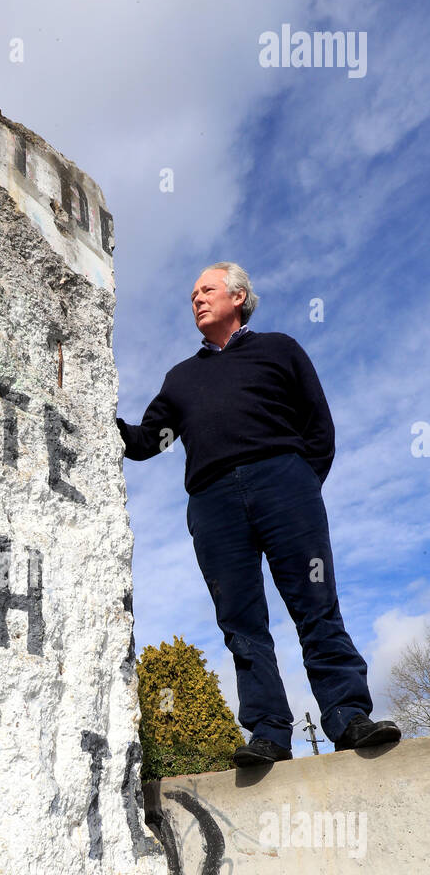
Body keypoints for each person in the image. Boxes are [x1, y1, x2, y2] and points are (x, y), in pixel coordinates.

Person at [116, 262, 401, 766]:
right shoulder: (180, 378)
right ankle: (269, 732)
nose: (196, 299)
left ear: (239, 297)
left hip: (284, 484)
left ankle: (347, 717)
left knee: (316, 604)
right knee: (240, 621)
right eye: (192, 295)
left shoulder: (280, 349)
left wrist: (301, 481)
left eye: (207, 289)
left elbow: (318, 423)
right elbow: (150, 440)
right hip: (212, 503)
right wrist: (101, 419)